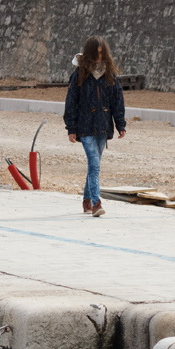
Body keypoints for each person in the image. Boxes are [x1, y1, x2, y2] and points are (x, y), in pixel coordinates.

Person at [63, 36, 128, 218]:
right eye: (96, 53)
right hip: (85, 126)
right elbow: (71, 102)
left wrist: (120, 124)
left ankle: (86, 200)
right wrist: (71, 128)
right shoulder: (79, 74)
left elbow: (117, 101)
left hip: (103, 126)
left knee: (94, 164)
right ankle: (96, 203)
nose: (99, 57)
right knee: (94, 164)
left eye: (102, 53)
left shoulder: (110, 75)